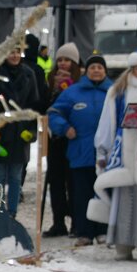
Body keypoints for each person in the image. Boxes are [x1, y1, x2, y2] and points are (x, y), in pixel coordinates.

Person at [91, 48, 137, 261]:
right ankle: (122, 245)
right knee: (122, 200)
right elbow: (107, 122)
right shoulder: (118, 91)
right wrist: (102, 150)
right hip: (121, 155)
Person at [49, 54, 112, 245]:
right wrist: (65, 128)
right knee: (82, 193)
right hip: (80, 152)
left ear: (105, 71)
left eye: (100, 68)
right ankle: (84, 232)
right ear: (86, 71)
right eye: (93, 67)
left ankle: (103, 230)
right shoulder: (72, 92)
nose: (96, 71)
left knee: (105, 192)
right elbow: (54, 113)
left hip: (107, 154)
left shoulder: (114, 92)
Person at [0, 44, 40, 218]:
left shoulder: (28, 74)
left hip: (20, 131)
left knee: (16, 176)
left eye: (17, 52)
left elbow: (34, 103)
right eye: (11, 52)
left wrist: (31, 130)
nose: (14, 55)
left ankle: (12, 213)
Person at [42, 43, 83, 236]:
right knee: (55, 180)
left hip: (73, 138)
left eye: (67, 60)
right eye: (60, 60)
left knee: (73, 181)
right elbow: (45, 106)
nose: (63, 63)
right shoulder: (51, 81)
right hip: (55, 139)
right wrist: (54, 90)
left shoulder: (80, 82)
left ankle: (76, 220)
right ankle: (58, 221)